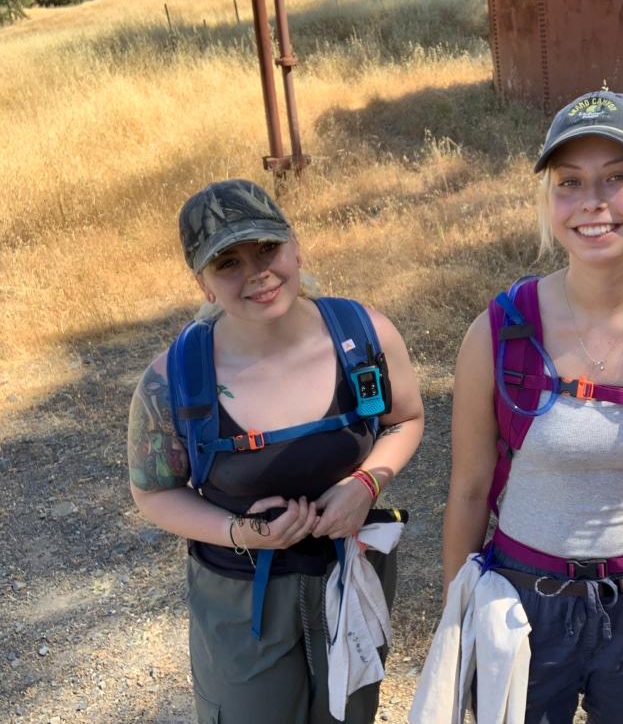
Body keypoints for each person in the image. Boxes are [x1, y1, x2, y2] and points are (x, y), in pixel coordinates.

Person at [436, 91, 623, 723]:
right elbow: (470, 488)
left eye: (618, 177)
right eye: (570, 182)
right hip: (523, 605)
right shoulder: (499, 332)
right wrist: (460, 614)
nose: (593, 201)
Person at [126, 179, 424, 724]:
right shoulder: (172, 382)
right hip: (241, 601)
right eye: (227, 262)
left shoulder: (363, 335)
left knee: (349, 713)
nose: (257, 272)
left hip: (351, 578)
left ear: (295, 247)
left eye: (267, 249)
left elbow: (404, 419)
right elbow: (153, 492)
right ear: (203, 281)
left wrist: (367, 483)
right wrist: (239, 532)